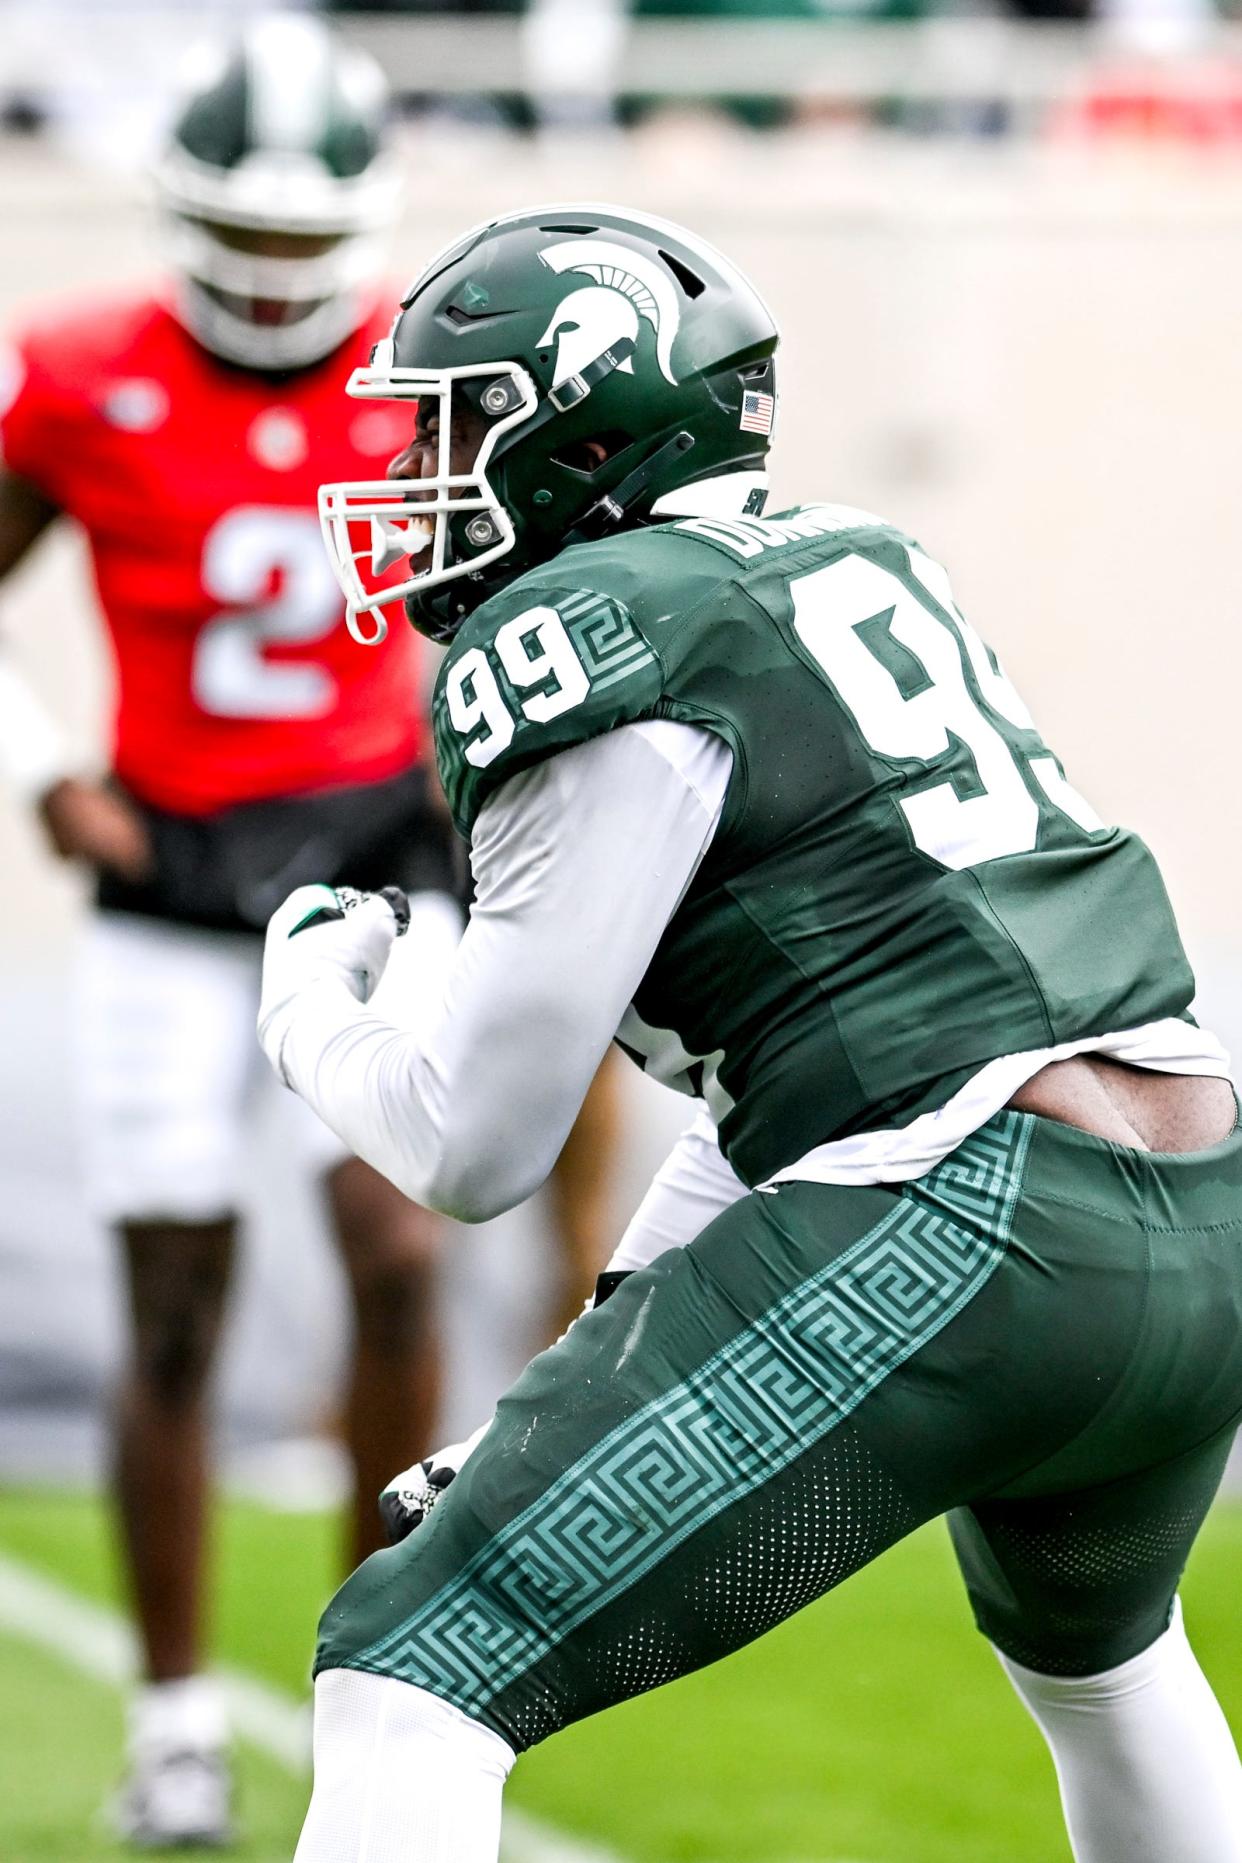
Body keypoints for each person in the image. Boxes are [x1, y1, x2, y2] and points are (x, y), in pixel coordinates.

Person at [258, 202, 1242, 1863]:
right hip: (1201, 1211)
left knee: (413, 1668)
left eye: (460, 423)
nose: (422, 473)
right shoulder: (846, 551)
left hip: (974, 1217)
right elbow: (781, 1083)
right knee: (1102, 1663)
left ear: (584, 422)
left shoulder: (588, 637)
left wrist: (302, 996)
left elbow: (470, 1144)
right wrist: (554, 1397)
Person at [0, 15, 454, 1849]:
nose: (273, 274)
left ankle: (396, 1694)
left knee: (398, 1256)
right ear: (182, 214)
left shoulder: (434, 359)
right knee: (171, 1307)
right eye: (243, 236)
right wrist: (44, 769)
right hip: (171, 880)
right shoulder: (75, 372)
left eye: (299, 240)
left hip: (374, 856)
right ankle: (178, 1715)